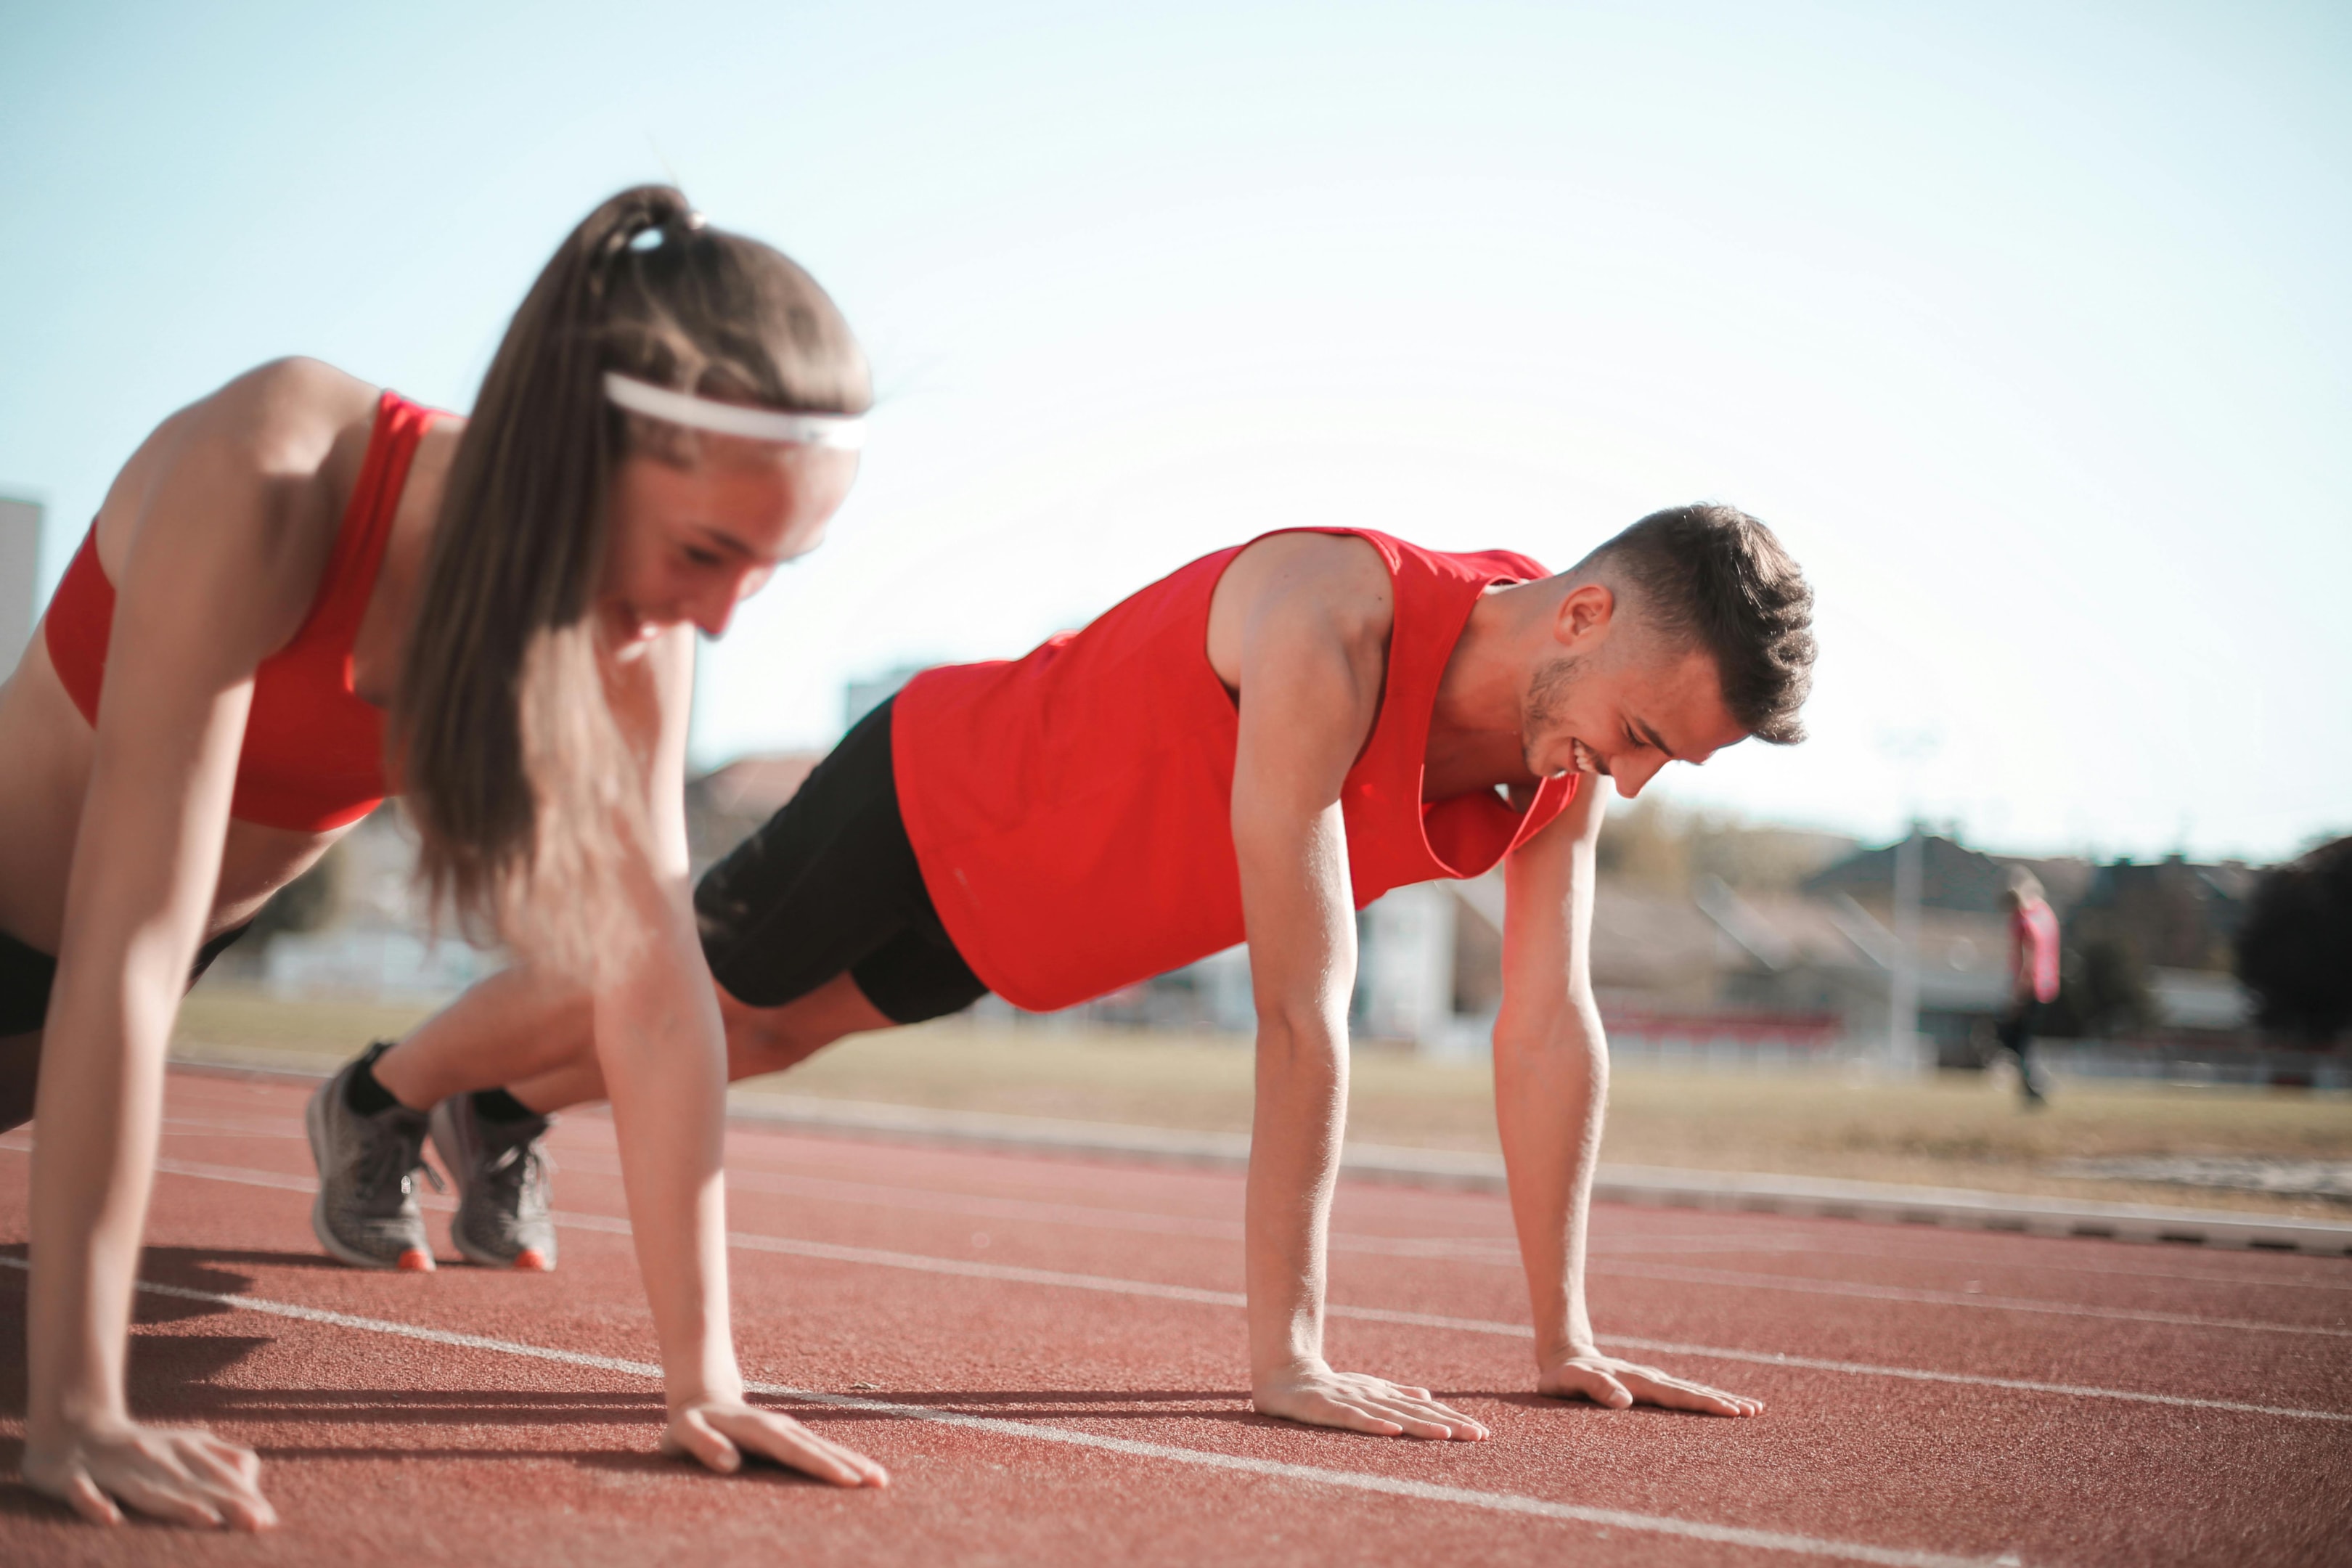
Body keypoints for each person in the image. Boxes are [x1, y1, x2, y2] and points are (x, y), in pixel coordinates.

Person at [348, 504, 1816, 1442]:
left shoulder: (1568, 776)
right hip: (942, 789)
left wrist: (1562, 1335)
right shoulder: (1334, 620)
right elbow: (1305, 1015)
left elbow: (1551, 1027)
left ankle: (503, 1114)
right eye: (1640, 734)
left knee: (775, 1038)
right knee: (699, 983)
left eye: (1665, 760)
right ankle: (382, 1096)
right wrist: (1286, 1356)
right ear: (1581, 618)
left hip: (1039, 921)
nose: (1631, 776)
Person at [0, 185, 892, 1530]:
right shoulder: (276, 473)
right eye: (706, 552)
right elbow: (122, 950)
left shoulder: (626, 642)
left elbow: (654, 993)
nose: (716, 616)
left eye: (770, 568)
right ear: (572, 449)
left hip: (109, 985)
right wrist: (77, 1407)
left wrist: (701, 1379)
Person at [1998, 867, 2062, 1105]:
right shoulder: (2045, 913)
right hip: (2047, 986)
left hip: (2029, 987)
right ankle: (2034, 1084)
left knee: (2013, 1038)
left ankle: (2035, 1085)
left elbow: (2028, 958)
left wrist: (2018, 995)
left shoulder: (2022, 920)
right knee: (2025, 1040)